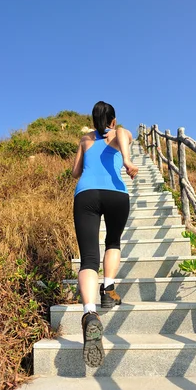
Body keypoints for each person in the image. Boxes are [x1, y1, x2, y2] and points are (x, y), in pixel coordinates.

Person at [71, 101, 139, 368]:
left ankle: (89, 314)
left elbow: (75, 172)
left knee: (88, 258)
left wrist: (85, 146)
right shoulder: (118, 132)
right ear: (112, 120)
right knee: (113, 241)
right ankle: (108, 288)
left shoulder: (85, 139)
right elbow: (123, 134)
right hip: (116, 194)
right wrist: (126, 159)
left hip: (85, 194)